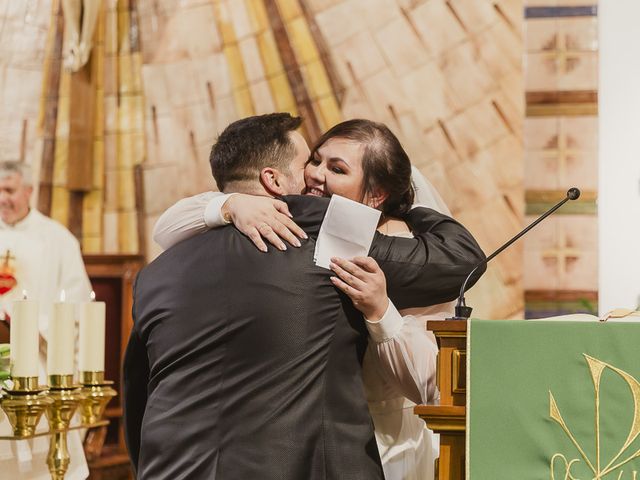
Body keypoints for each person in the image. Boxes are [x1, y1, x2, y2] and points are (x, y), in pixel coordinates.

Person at [124, 113, 485, 479]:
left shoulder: (156, 274)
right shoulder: (328, 238)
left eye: (335, 167)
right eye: (311, 161)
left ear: (378, 195)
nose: (314, 175)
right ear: (273, 179)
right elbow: (458, 259)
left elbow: (138, 390)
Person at [0, 161, 91, 479]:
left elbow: (76, 305)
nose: (2, 199)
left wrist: (29, 327)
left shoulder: (57, 240)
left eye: (9, 190)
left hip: (40, 363)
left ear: (29, 191)